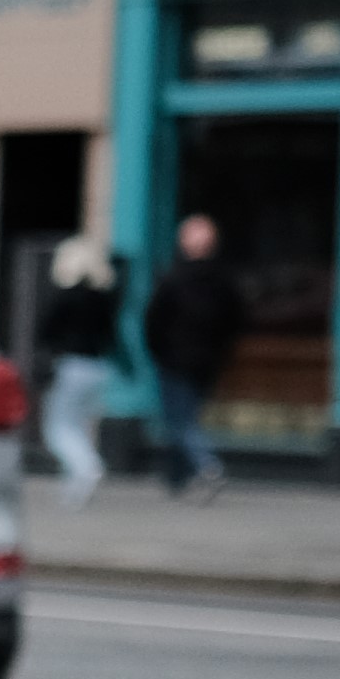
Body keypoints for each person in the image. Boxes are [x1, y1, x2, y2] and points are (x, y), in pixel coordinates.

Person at [141, 210, 243, 502]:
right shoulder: (222, 282)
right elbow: (235, 322)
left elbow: (154, 322)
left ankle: (207, 466)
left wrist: (160, 353)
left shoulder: (174, 278)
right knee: (185, 418)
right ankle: (177, 476)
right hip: (203, 362)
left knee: (181, 421)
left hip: (177, 361)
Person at [40, 234, 122, 506]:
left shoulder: (66, 297)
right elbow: (112, 335)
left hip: (72, 364)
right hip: (99, 367)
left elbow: (45, 331)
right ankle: (74, 489)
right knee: (80, 426)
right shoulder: (103, 298)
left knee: (58, 428)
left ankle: (87, 467)